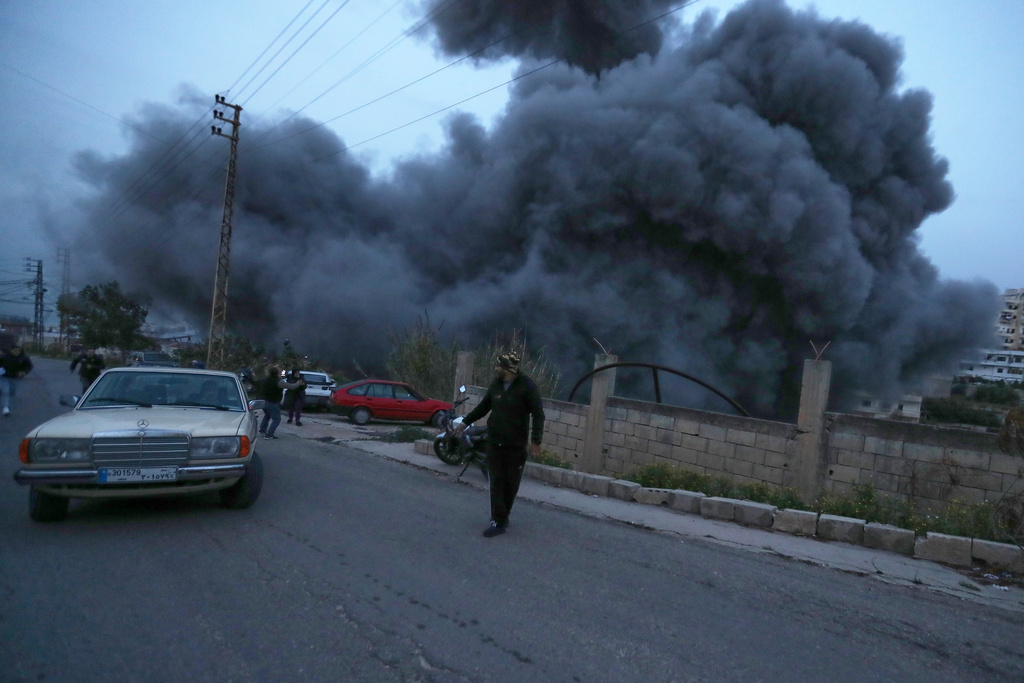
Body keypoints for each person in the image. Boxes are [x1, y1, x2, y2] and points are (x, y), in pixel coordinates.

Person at [459, 350, 545, 537]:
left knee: (511, 484)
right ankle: (498, 521)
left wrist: (536, 441)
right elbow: (484, 407)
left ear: (508, 368)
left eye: (498, 366)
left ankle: (503, 516)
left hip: (516, 445)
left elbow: (538, 414)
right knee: (496, 483)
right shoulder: (496, 385)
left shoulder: (527, 387)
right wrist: (465, 422)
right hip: (494, 442)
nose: (495, 369)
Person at [257, 366, 304, 439]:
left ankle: (262, 430)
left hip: (264, 400)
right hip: (272, 402)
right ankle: (269, 435)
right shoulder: (278, 381)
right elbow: (290, 386)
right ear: (277, 373)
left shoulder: (266, 380)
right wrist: (298, 384)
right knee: (277, 419)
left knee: (267, 415)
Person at [0, 345, 34, 417]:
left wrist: (24, 372)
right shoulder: (4, 357)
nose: (17, 352)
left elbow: (30, 366)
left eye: (18, 351)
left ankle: (5, 401)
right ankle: (5, 408)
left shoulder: (24, 358)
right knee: (5, 391)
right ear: (11, 350)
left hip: (16, 378)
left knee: (12, 392)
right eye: (15, 350)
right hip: (4, 377)